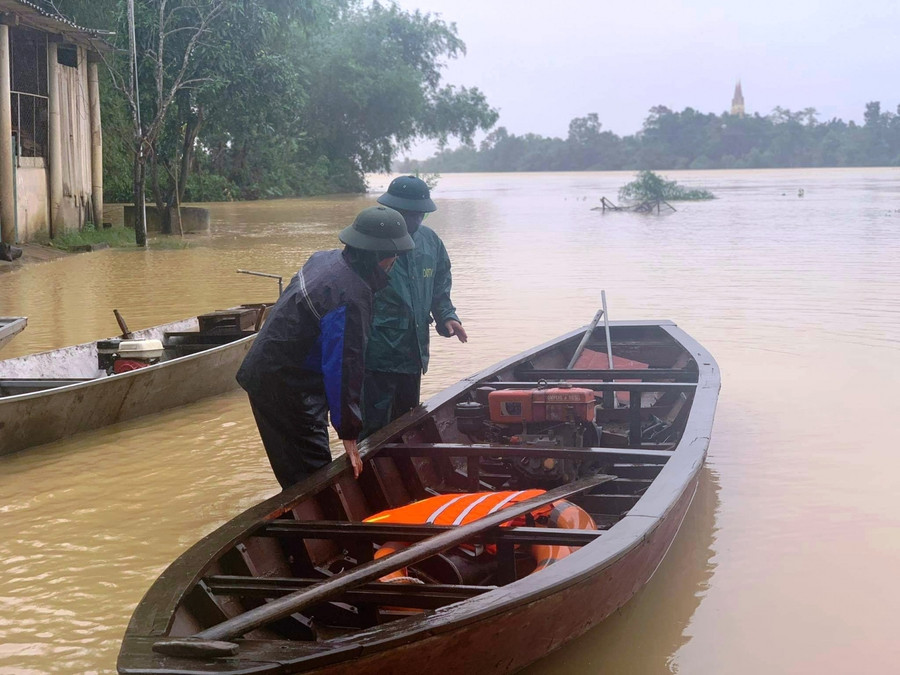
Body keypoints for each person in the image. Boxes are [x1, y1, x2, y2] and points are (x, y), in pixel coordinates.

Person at [236, 206, 414, 488]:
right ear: (383, 257)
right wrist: (350, 433)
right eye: (396, 255)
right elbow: (343, 365)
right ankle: (312, 524)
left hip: (273, 371)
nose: (395, 261)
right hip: (285, 386)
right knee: (311, 475)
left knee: (301, 465)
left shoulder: (325, 260)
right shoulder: (351, 295)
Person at [361, 175, 467, 439]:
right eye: (410, 215)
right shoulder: (368, 244)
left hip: (413, 353)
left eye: (421, 215)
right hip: (376, 357)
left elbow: (440, 286)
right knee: (372, 428)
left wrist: (446, 316)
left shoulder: (430, 242)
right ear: (392, 211)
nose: (416, 222)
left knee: (407, 423)